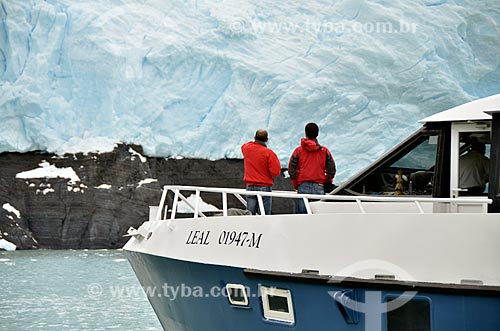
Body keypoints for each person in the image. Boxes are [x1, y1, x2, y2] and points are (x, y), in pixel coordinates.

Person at [288, 123, 336, 213]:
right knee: (318, 216)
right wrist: (327, 181)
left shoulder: (298, 151)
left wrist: (296, 182)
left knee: (302, 216)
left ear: (306, 133)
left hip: (303, 185)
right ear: (317, 134)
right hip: (319, 186)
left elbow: (291, 168)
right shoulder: (324, 151)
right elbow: (331, 169)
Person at [241, 129, 281, 215]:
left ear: (254, 137)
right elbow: (276, 172)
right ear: (266, 139)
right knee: (264, 215)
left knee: (249, 214)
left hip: (250, 187)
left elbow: (244, 145)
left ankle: (249, 227)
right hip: (264, 187)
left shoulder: (247, 149)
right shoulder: (269, 153)